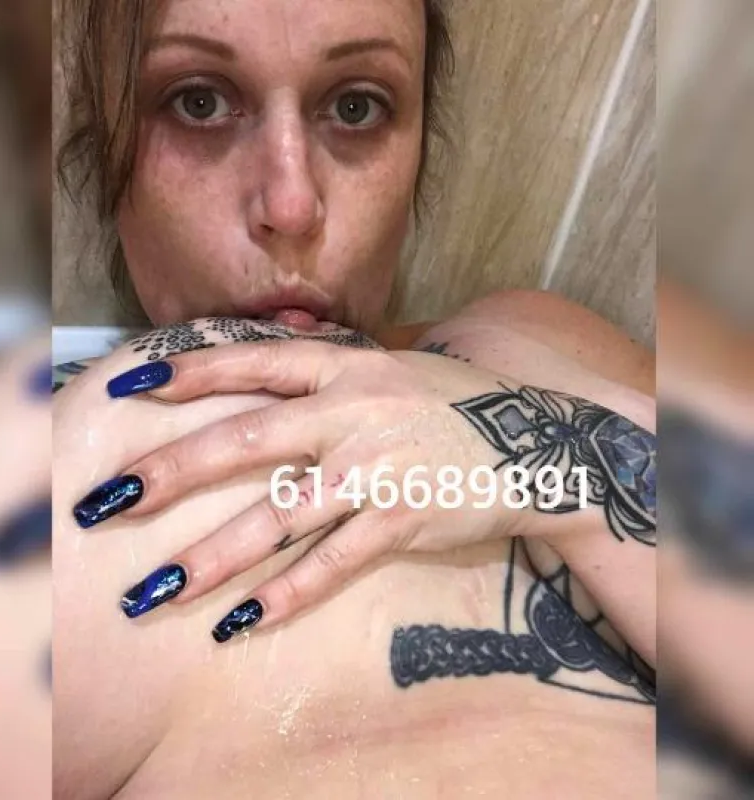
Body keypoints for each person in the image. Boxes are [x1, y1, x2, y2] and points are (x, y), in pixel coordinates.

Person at [54, 0, 656, 796]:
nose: (292, 205)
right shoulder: (51, 454)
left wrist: (546, 460)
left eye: (355, 107)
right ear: (107, 150)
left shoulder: (533, 336)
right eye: (197, 101)